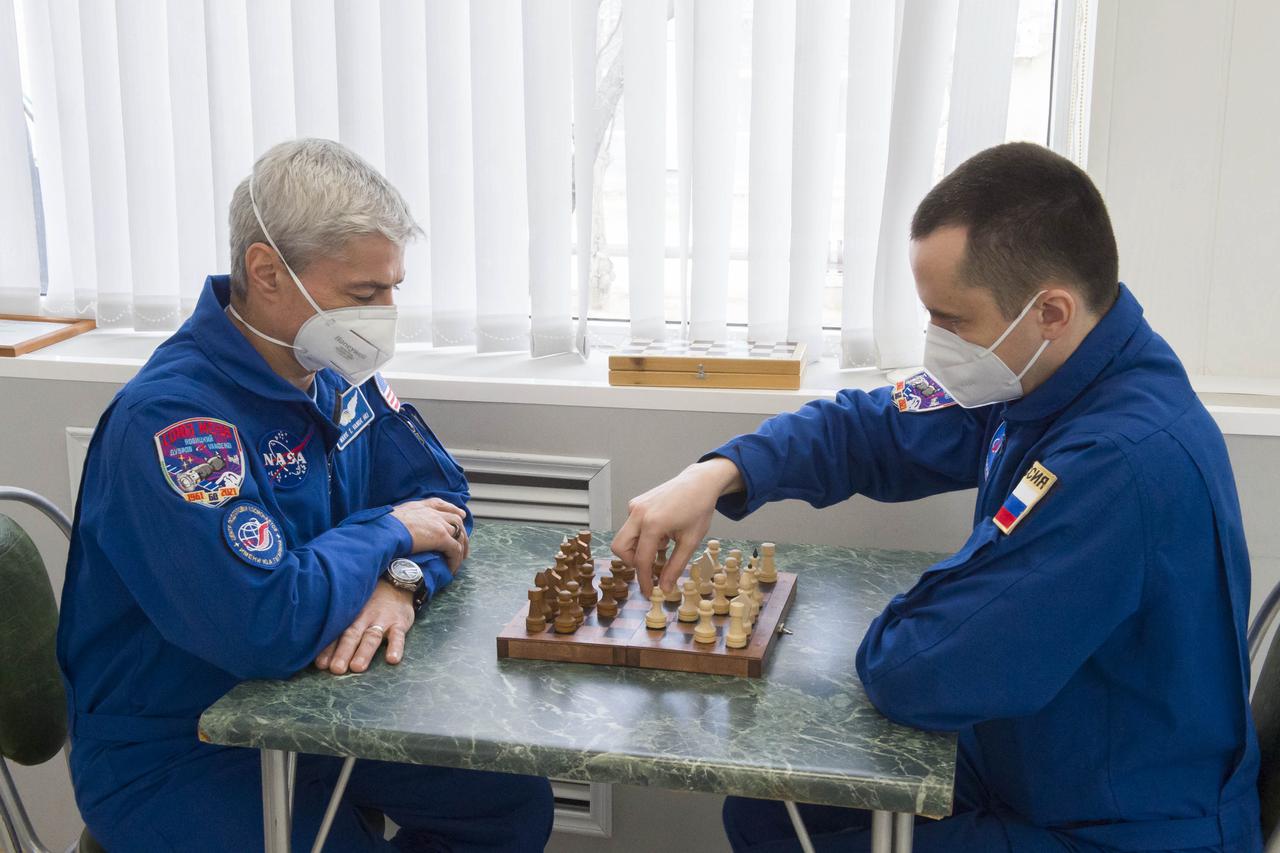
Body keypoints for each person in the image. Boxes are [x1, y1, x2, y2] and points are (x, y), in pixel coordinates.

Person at [612, 142, 1261, 852]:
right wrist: (721, 471)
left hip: (1112, 820)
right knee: (765, 810)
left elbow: (917, 670)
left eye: (952, 320)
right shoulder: (1043, 372)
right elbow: (876, 427)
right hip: (1035, 757)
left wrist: (912, 602)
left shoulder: (1116, 463)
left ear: (1049, 310)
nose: (936, 343)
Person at [58, 139, 553, 851]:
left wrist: (401, 580)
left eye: (392, 288)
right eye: (364, 293)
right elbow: (262, 624)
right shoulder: (173, 425)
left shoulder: (332, 368)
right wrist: (388, 532)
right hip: (184, 746)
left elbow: (441, 503)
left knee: (509, 801)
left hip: (321, 710)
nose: (385, 313)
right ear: (267, 272)